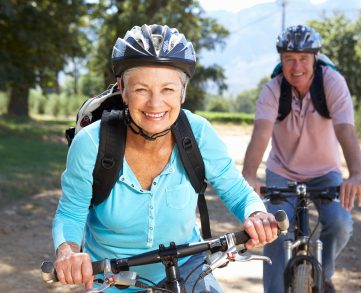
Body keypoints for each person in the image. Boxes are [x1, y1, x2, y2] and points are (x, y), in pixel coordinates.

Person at [52, 24, 279, 293]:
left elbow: (238, 192)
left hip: (187, 264)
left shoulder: (198, 133)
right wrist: (67, 252)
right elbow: (70, 211)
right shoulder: (92, 143)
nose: (155, 104)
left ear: (183, 92)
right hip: (111, 275)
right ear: (123, 89)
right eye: (141, 90)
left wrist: (256, 214)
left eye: (168, 89)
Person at [242, 25, 361, 293]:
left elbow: (346, 129)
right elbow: (261, 134)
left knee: (340, 222)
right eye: (289, 59)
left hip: (325, 172)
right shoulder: (273, 89)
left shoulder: (332, 83)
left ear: (315, 59)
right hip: (282, 172)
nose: (296, 67)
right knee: (274, 227)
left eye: (303, 59)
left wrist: (356, 174)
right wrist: (249, 175)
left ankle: (323, 273)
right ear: (281, 60)